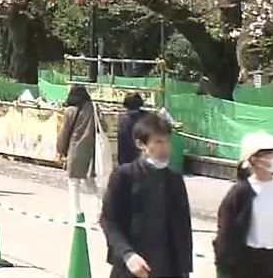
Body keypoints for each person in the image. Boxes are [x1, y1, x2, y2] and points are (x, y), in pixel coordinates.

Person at [99, 112, 192, 278]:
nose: (165, 148)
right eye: (158, 142)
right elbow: (108, 220)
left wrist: (184, 269)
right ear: (141, 144)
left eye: (167, 141)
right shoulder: (124, 176)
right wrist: (128, 255)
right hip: (132, 267)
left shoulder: (174, 179)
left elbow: (183, 227)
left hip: (168, 269)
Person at [213, 132, 273, 278]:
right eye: (270, 154)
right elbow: (226, 235)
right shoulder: (240, 192)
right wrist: (224, 270)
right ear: (254, 160)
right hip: (245, 264)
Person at [57, 84, 97, 218]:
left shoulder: (71, 110)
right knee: (90, 182)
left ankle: (76, 212)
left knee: (74, 182)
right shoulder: (93, 108)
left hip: (75, 149)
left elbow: (64, 132)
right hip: (92, 149)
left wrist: (61, 150)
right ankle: (98, 211)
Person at [116, 93, 148, 166]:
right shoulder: (147, 117)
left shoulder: (124, 121)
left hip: (129, 160)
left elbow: (121, 145)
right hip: (144, 159)